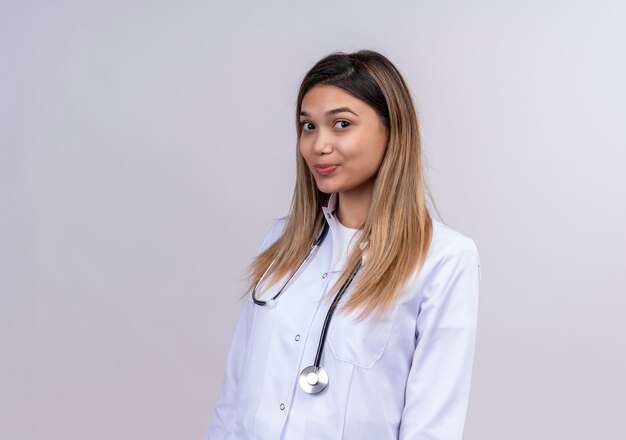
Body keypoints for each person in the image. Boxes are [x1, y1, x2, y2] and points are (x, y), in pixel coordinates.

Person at [206, 49, 481, 440]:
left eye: (341, 124)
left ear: (392, 131)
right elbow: (233, 400)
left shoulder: (444, 259)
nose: (319, 145)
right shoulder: (281, 244)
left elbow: (432, 425)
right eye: (308, 126)